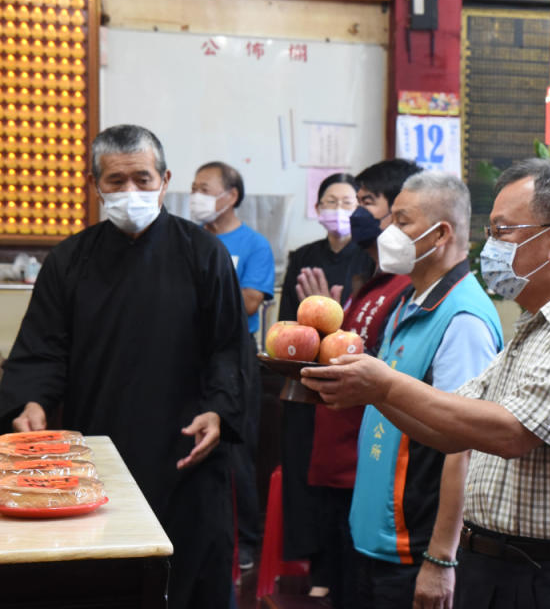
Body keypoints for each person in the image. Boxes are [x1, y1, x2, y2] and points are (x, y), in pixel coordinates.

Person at [301, 158, 550, 608]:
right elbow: (453, 426)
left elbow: (510, 432)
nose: (490, 247)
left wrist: (384, 386)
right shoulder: (536, 328)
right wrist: (369, 391)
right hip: (495, 565)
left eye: (503, 232)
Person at [0, 124, 247, 609]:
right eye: (116, 181)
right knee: (103, 582)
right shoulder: (69, 259)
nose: (130, 191)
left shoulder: (204, 254)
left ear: (164, 179)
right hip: (96, 455)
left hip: (187, 451)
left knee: (191, 579)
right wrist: (31, 400)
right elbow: (42, 349)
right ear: (95, 186)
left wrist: (220, 410)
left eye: (142, 178)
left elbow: (228, 347)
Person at [345, 170, 502, 609]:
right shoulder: (407, 301)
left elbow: (465, 444)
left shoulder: (463, 319)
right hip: (374, 539)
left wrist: (441, 559)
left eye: (402, 221)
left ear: (442, 233)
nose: (386, 231)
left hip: (414, 547)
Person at [292, 158, 422, 608]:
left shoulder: (406, 287)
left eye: (367, 202)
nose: (357, 215)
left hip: (367, 461)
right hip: (339, 455)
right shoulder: (371, 280)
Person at [276, 172, 374, 597]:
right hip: (304, 385)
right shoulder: (303, 256)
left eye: (348, 201)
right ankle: (315, 567)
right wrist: (312, 319)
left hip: (347, 386)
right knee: (305, 476)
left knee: (344, 479)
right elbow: (285, 328)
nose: (339, 210)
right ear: (317, 211)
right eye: (330, 201)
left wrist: (333, 315)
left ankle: (342, 567)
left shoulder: (368, 258)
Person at [191, 160, 275, 569]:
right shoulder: (187, 239)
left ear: (232, 196)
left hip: (237, 356)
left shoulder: (253, 244)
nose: (197, 196)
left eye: (205, 188)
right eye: (194, 188)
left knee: (238, 453)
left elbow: (250, 302)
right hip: (190, 355)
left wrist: (200, 300)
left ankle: (246, 543)